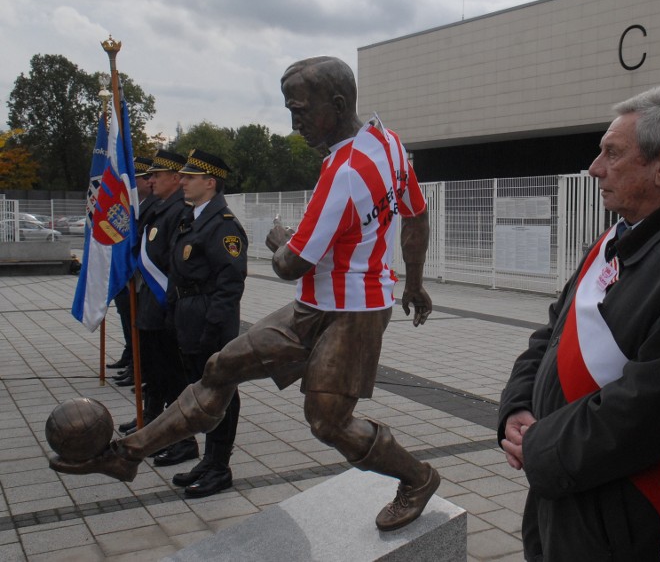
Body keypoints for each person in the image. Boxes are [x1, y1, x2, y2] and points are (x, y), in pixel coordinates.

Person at [50, 56, 439, 532]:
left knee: (328, 421)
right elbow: (416, 212)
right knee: (222, 366)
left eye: (300, 111)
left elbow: (290, 264)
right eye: (289, 110)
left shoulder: (343, 173)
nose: (293, 123)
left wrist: (280, 242)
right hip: (316, 307)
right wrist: (414, 281)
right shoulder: (389, 143)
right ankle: (128, 455)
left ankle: (418, 479)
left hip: (354, 314)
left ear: (337, 106)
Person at [498, 86, 660, 561]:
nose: (595, 168)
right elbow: (551, 334)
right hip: (569, 492)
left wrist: (539, 449)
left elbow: (648, 406)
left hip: (622, 514)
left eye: (612, 154)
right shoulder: (620, 234)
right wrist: (514, 411)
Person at [167, 149, 247, 498]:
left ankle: (219, 467)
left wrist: (210, 328)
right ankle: (209, 460)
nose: (181, 181)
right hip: (189, 317)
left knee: (221, 395)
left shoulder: (223, 226)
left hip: (209, 323)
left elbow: (229, 285)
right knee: (203, 394)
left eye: (189, 177)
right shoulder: (193, 219)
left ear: (209, 183)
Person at [120, 150, 196, 471]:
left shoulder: (179, 212)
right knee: (155, 372)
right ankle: (151, 423)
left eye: (157, 175)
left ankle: (183, 440)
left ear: (175, 178)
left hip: (164, 308)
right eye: (149, 175)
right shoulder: (161, 208)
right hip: (150, 305)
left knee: (173, 378)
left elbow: (174, 264)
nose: (150, 180)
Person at [109, 156, 154, 377]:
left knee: (140, 324)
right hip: (127, 274)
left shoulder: (153, 207)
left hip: (143, 279)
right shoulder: (131, 206)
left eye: (135, 179)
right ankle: (132, 358)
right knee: (128, 318)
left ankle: (140, 365)